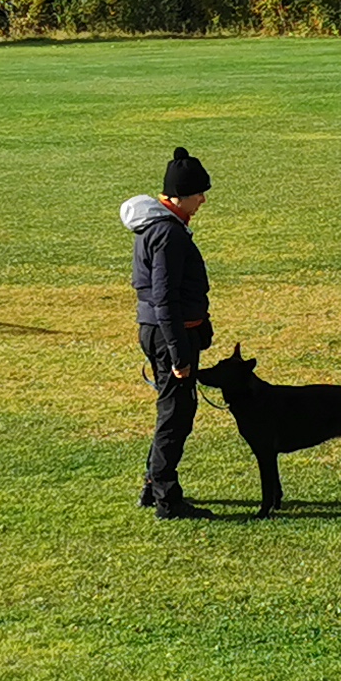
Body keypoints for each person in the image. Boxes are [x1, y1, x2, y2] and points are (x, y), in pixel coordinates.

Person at [122, 147, 215, 520]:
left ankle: (153, 484)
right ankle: (166, 498)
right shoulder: (168, 234)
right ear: (179, 195)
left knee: (173, 410)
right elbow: (164, 296)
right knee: (176, 414)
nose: (203, 200)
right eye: (198, 194)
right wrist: (179, 353)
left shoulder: (157, 227)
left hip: (160, 330)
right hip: (168, 335)